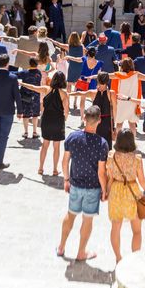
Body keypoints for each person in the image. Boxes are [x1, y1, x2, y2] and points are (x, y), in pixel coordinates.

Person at [56, 105, 109, 261]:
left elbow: (65, 161)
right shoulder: (102, 144)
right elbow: (101, 172)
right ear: (99, 121)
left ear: (84, 118)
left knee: (70, 215)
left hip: (75, 184)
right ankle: (81, 252)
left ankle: (61, 247)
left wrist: (66, 179)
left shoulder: (72, 137)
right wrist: (104, 190)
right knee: (87, 220)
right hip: (92, 187)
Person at [106, 129, 145, 263]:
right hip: (133, 192)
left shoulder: (111, 156)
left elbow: (110, 177)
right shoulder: (137, 159)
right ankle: (134, 260)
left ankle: (118, 258)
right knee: (137, 230)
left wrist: (106, 192)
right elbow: (141, 180)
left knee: (115, 228)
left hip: (116, 191)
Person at [20, 71, 69, 176]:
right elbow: (66, 111)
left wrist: (22, 84)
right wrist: (63, 120)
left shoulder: (46, 89)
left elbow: (33, 87)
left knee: (44, 146)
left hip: (46, 120)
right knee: (56, 147)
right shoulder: (64, 94)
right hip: (58, 121)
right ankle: (55, 170)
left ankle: (41, 168)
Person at [102, 58, 145, 137]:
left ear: (122, 66)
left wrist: (92, 76)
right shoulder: (136, 75)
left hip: (121, 103)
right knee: (132, 125)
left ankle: (117, 143)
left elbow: (104, 75)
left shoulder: (118, 75)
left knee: (119, 124)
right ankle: (133, 143)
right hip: (132, 103)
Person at [70, 72, 118, 148]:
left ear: (98, 80)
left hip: (94, 120)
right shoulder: (112, 93)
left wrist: (68, 94)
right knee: (106, 146)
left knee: (94, 145)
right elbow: (115, 110)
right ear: (107, 81)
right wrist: (114, 125)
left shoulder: (93, 93)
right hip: (107, 122)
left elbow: (80, 93)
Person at [64, 46, 103, 122]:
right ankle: (94, 117)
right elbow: (99, 74)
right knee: (94, 100)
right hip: (92, 82)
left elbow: (75, 59)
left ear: (88, 53)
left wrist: (68, 56)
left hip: (83, 81)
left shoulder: (84, 59)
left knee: (82, 99)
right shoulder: (99, 63)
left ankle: (82, 118)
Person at [49, 32, 84, 108]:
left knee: (69, 84)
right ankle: (75, 102)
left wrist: (51, 40)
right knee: (77, 85)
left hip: (72, 66)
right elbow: (83, 56)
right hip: (80, 66)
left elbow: (58, 44)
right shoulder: (81, 46)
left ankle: (67, 101)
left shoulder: (69, 47)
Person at [14, 58, 42, 139]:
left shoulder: (24, 72)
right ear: (37, 64)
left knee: (25, 115)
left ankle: (26, 132)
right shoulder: (39, 73)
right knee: (35, 115)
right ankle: (34, 132)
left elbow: (14, 74)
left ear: (29, 64)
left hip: (25, 96)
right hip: (36, 96)